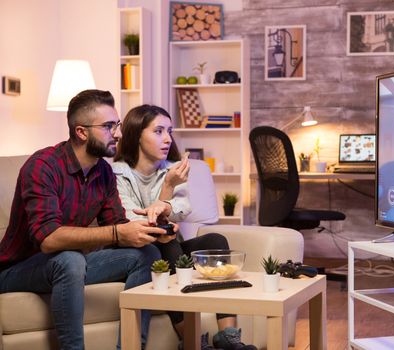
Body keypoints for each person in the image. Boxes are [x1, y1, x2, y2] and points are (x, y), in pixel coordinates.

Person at [0, 90, 173, 350]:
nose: (118, 134)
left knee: (147, 254)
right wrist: (118, 233)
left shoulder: (103, 171)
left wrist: (154, 229)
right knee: (69, 258)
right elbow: (49, 239)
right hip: (19, 269)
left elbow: (116, 223)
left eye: (117, 125)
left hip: (73, 263)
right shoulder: (42, 166)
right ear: (81, 132)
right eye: (108, 126)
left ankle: (130, 346)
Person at [112, 104, 256, 350]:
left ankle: (229, 337)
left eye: (169, 131)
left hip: (168, 246)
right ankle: (192, 340)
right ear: (136, 134)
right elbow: (134, 221)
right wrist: (167, 187)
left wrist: (167, 199)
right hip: (138, 252)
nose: (167, 139)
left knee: (215, 242)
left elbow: (181, 209)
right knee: (166, 246)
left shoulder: (174, 169)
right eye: (158, 131)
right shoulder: (117, 173)